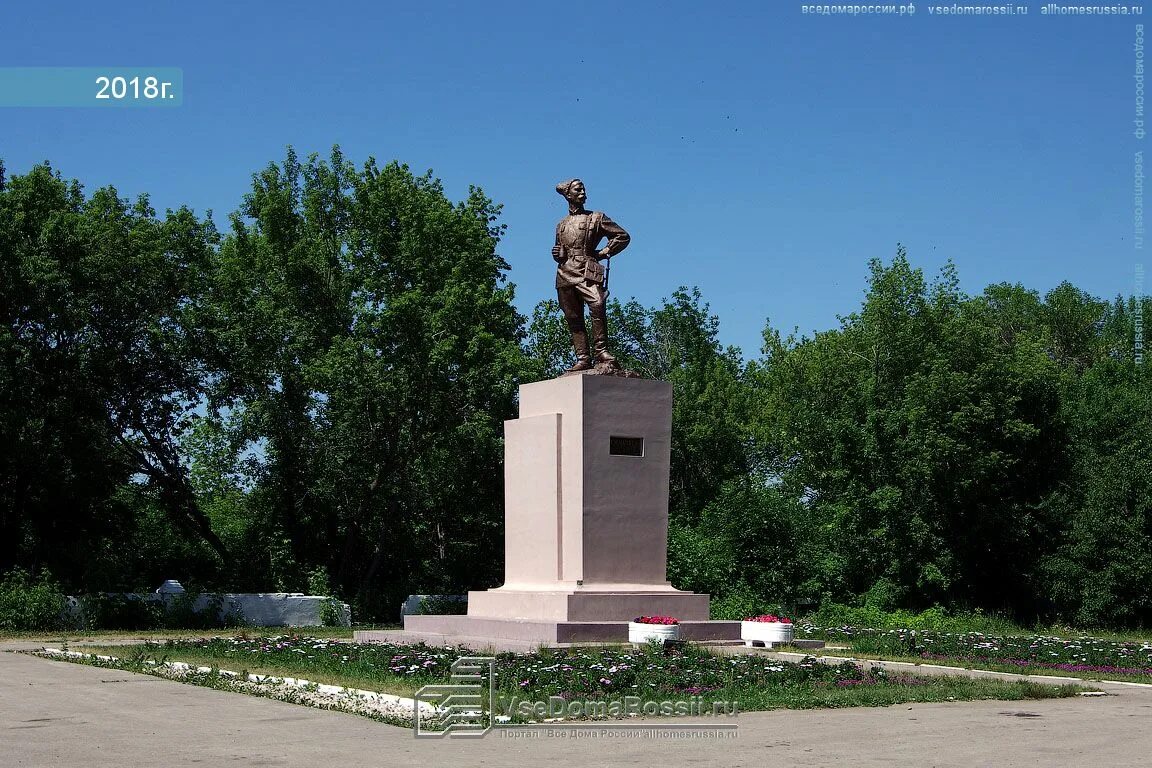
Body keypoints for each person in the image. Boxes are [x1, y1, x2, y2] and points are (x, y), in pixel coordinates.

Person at [552, 178, 630, 372]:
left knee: (597, 304)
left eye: (583, 189)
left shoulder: (596, 218)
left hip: (587, 270)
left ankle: (602, 352)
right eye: (578, 190)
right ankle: (582, 358)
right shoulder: (561, 224)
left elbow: (622, 236)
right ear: (568, 195)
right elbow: (559, 249)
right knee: (573, 316)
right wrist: (557, 253)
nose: (583, 193)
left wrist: (603, 252)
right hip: (565, 273)